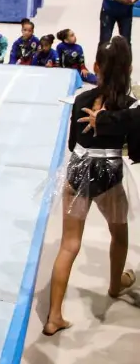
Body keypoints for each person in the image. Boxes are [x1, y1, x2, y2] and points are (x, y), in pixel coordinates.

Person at [43, 36, 139, 337]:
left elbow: (72, 142)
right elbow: (136, 150)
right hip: (108, 177)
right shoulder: (130, 106)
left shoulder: (83, 99)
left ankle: (53, 316)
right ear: (129, 69)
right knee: (119, 234)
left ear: (96, 67)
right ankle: (114, 285)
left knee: (69, 244)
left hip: (78, 171)